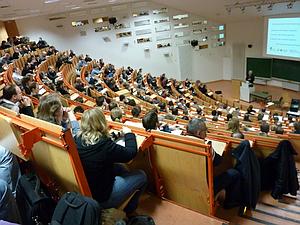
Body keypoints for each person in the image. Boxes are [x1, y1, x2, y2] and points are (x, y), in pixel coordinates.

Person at [74, 108, 147, 215]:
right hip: (103, 198)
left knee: (120, 168)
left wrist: (114, 136)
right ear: (101, 122)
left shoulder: (76, 139)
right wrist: (128, 134)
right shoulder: (104, 145)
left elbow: (97, 147)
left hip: (88, 191)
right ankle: (130, 210)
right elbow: (130, 153)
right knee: (142, 175)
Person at [186, 118, 241, 207]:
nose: (206, 134)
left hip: (183, 183)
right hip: (203, 188)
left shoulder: (175, 141)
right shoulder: (206, 147)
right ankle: (230, 203)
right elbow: (218, 162)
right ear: (198, 133)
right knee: (234, 173)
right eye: (205, 131)